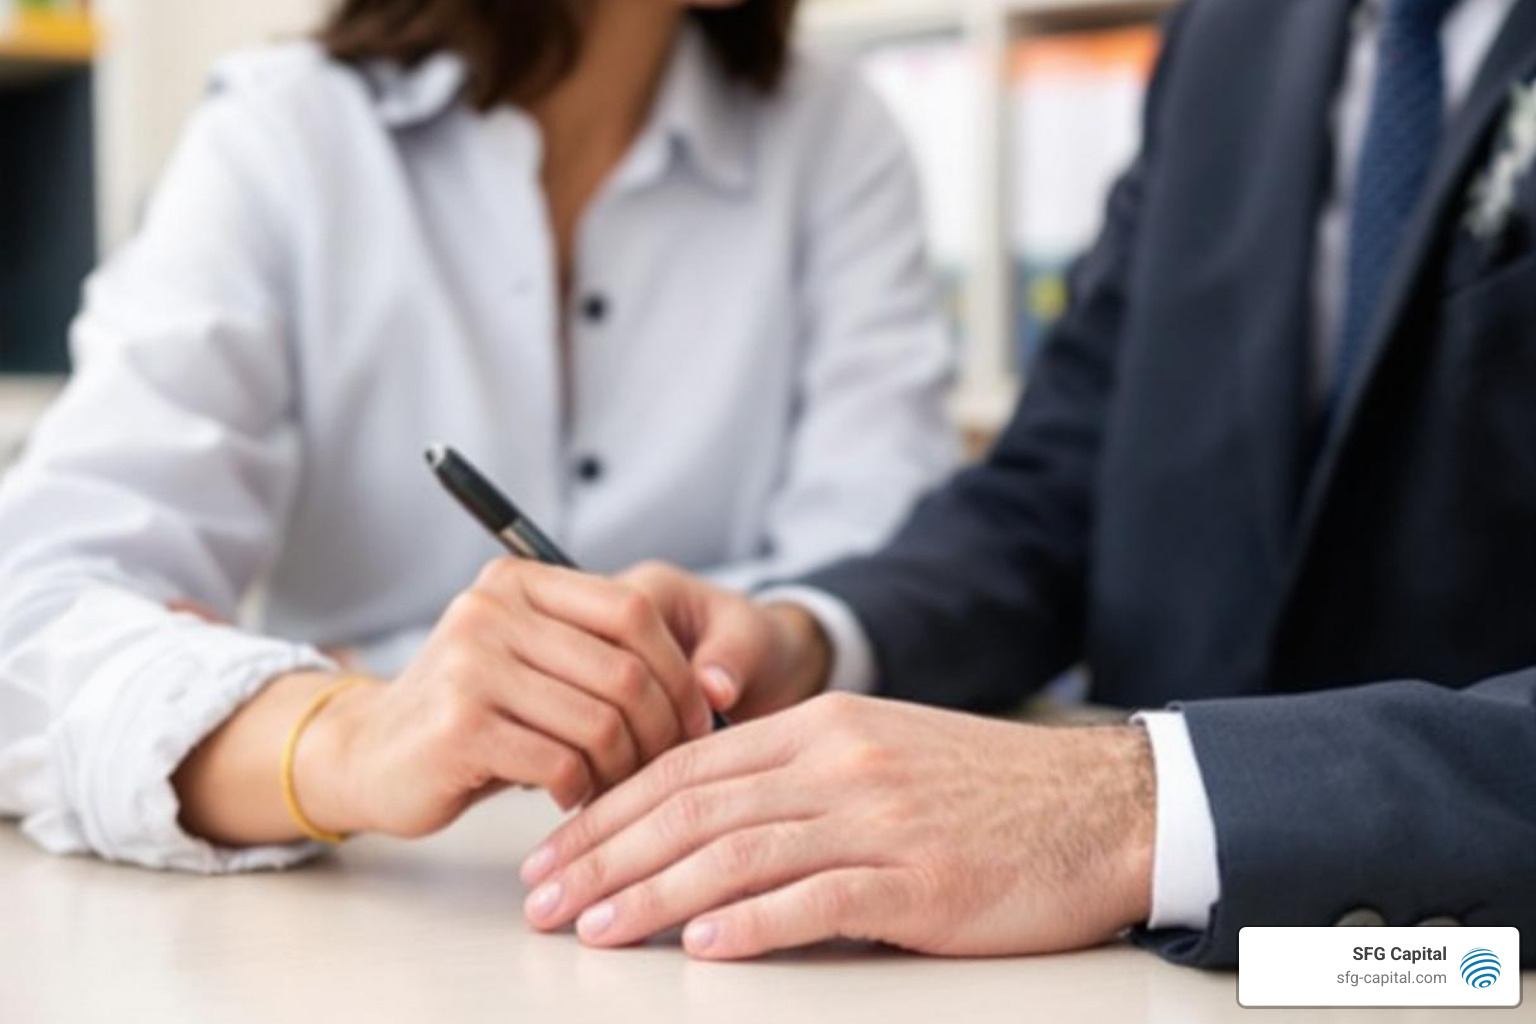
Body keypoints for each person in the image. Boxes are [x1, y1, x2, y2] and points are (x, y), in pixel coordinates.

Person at [508, 0, 1536, 967]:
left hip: (1469, 962)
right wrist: (812, 636)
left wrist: (1136, 806)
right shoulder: (1237, 28)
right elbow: (1055, 483)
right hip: (1146, 967)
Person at [0, 0, 956, 868]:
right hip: (378, 912)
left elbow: (891, 580)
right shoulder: (285, 135)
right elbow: (29, 626)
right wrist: (353, 732)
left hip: (751, 863)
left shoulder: (836, 134)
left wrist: (382, 664)